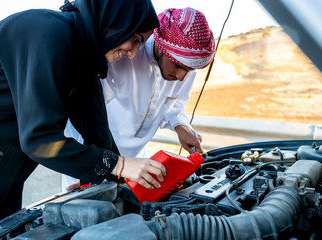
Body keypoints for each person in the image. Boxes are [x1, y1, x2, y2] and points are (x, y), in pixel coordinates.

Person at [0, 0, 166, 229]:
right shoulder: (46, 33)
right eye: (136, 39)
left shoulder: (83, 54)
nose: (133, 53)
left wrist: (102, 183)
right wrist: (117, 165)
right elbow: (39, 140)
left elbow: (97, 132)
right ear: (115, 20)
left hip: (3, 180)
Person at [63, 7, 215, 190]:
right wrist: (91, 170)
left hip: (137, 164)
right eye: (178, 66)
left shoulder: (183, 65)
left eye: (189, 71)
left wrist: (180, 125)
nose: (182, 76)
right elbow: (85, 114)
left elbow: (174, 104)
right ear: (163, 47)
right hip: (93, 157)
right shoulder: (125, 53)